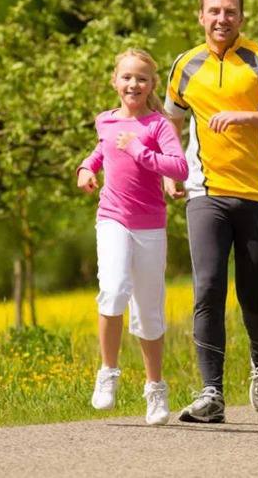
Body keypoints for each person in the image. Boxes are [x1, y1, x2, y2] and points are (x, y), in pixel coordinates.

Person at [163, 0, 258, 423]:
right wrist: (171, 170)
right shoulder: (185, 65)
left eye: (230, 11)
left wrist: (248, 117)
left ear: (241, 17)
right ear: (200, 16)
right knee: (207, 289)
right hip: (206, 192)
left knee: (253, 297)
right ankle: (212, 393)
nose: (221, 18)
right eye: (214, 11)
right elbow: (170, 118)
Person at [76, 49, 188, 426]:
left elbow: (179, 166)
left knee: (148, 312)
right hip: (112, 218)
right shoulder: (105, 121)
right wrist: (86, 168)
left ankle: (155, 387)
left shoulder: (158, 126)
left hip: (150, 225)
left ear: (152, 85)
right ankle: (108, 371)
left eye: (141, 78)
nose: (133, 84)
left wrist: (140, 151)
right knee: (113, 288)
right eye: (126, 77)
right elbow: (101, 149)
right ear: (115, 81)